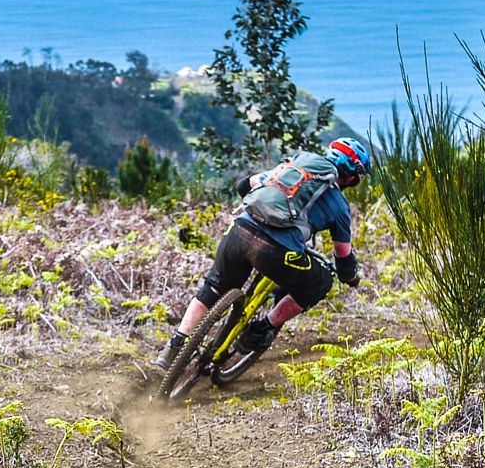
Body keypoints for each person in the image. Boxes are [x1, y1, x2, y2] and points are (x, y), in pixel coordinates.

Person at [155, 136, 372, 369]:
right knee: (320, 283)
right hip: (275, 251)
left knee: (214, 288)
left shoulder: (296, 167)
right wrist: (350, 277)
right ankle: (263, 329)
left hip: (239, 231)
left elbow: (243, 185)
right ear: (351, 176)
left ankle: (174, 347)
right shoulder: (339, 206)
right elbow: (343, 258)